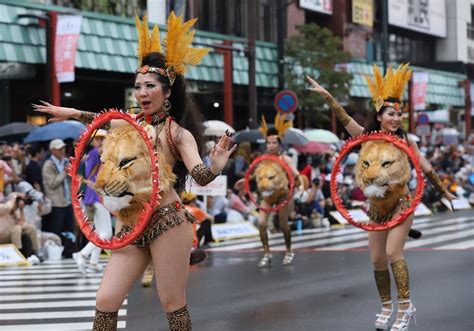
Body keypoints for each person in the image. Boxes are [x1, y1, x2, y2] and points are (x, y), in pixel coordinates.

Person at [33, 12, 234, 330]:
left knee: (172, 303)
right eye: (138, 86)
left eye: (150, 86)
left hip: (168, 221)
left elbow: (199, 174)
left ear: (167, 93)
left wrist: (217, 166)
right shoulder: (129, 124)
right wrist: (72, 113)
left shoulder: (177, 134)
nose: (142, 93)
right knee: (106, 300)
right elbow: (99, 118)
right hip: (131, 223)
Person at [307, 64, 455, 331]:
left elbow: (426, 166)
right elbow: (343, 118)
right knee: (376, 259)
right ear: (379, 115)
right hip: (376, 208)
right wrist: (327, 96)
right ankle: (386, 305)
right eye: (391, 113)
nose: (396, 118)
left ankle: (406, 306)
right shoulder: (366, 138)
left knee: (392, 252)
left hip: (402, 203)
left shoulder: (407, 141)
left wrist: (443, 190)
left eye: (399, 114)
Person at [254, 113, 304, 268]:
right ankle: (266, 253)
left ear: (279, 144)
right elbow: (254, 175)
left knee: (283, 225)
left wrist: (300, 185)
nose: (270, 145)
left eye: (274, 142)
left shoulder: (285, 159)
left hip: (283, 196)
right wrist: (245, 181)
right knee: (261, 223)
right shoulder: (261, 160)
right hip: (267, 196)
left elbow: (297, 175)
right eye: (268, 142)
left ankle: (289, 251)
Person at [73, 129, 113, 274]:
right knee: (106, 233)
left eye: (103, 139)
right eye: (99, 139)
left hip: (93, 195)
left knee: (99, 233)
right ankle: (82, 254)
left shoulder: (92, 153)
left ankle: (93, 263)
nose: (101, 141)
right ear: (94, 141)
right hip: (97, 196)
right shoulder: (97, 153)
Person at [42, 139, 74, 236]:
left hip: (68, 201)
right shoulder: (47, 165)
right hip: (56, 204)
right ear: (53, 150)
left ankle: (70, 250)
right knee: (57, 230)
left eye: (63, 148)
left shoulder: (66, 162)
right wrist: (64, 172)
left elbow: (72, 180)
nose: (63, 151)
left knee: (69, 229)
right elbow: (52, 184)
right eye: (60, 149)